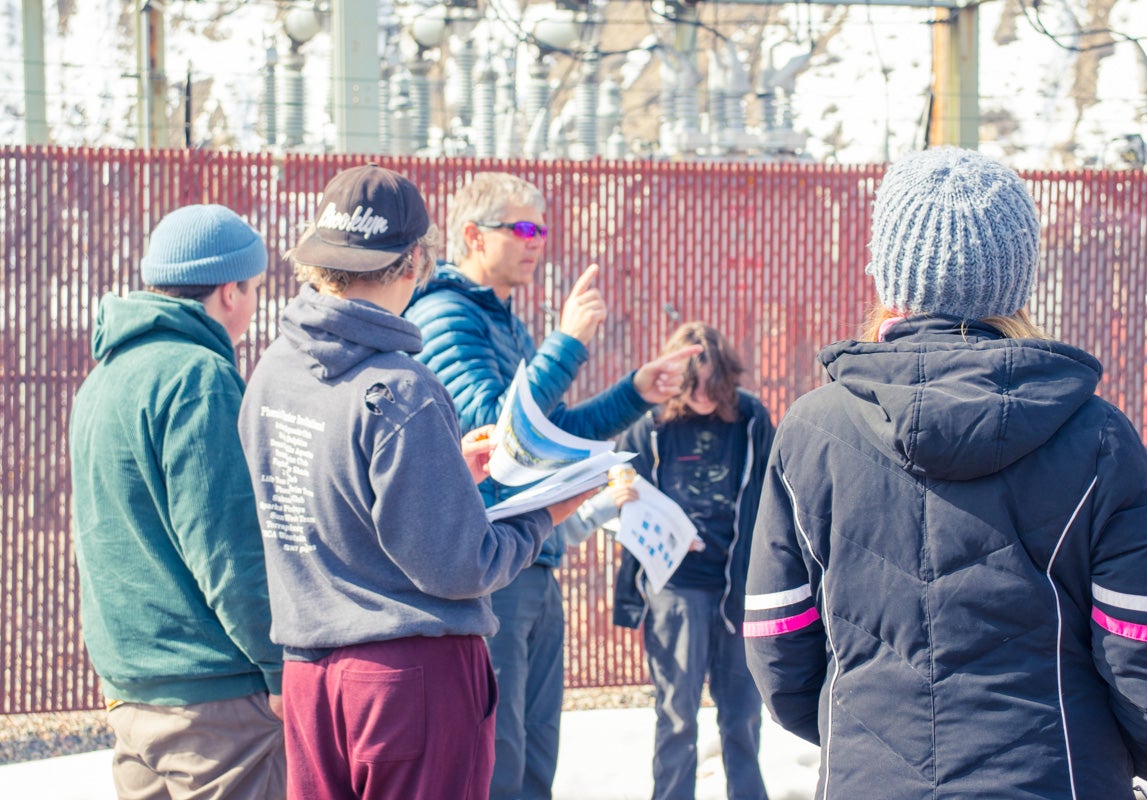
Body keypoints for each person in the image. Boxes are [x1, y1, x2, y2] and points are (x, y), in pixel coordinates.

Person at [743, 146, 1147, 799]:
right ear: (1018, 275)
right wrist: (1119, 758)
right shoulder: (1096, 437)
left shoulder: (813, 431)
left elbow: (777, 641)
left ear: (888, 272)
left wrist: (867, 736)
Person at [237, 164, 586, 800]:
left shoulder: (272, 372)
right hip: (409, 678)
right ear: (413, 263)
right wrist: (549, 513)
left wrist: (442, 468)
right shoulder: (401, 390)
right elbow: (459, 566)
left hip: (310, 672)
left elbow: (332, 491)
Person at [403, 171, 698, 800]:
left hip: (529, 559)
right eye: (524, 228)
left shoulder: (504, 323)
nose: (538, 242)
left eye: (542, 229)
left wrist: (635, 393)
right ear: (472, 236)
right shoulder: (445, 314)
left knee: (536, 754)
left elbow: (549, 432)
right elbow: (493, 431)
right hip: (491, 567)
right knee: (501, 760)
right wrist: (567, 343)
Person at [69, 204, 285, 799]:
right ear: (229, 291)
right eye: (254, 289)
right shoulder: (199, 377)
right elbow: (228, 547)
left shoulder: (103, 379)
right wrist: (280, 667)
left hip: (132, 689)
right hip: (214, 704)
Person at [602, 322, 774, 800]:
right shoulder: (651, 424)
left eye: (712, 385)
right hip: (674, 590)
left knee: (742, 715)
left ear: (727, 379)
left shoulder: (752, 420)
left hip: (737, 587)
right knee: (677, 715)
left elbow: (776, 491)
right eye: (693, 386)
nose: (703, 396)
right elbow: (617, 488)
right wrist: (620, 495)